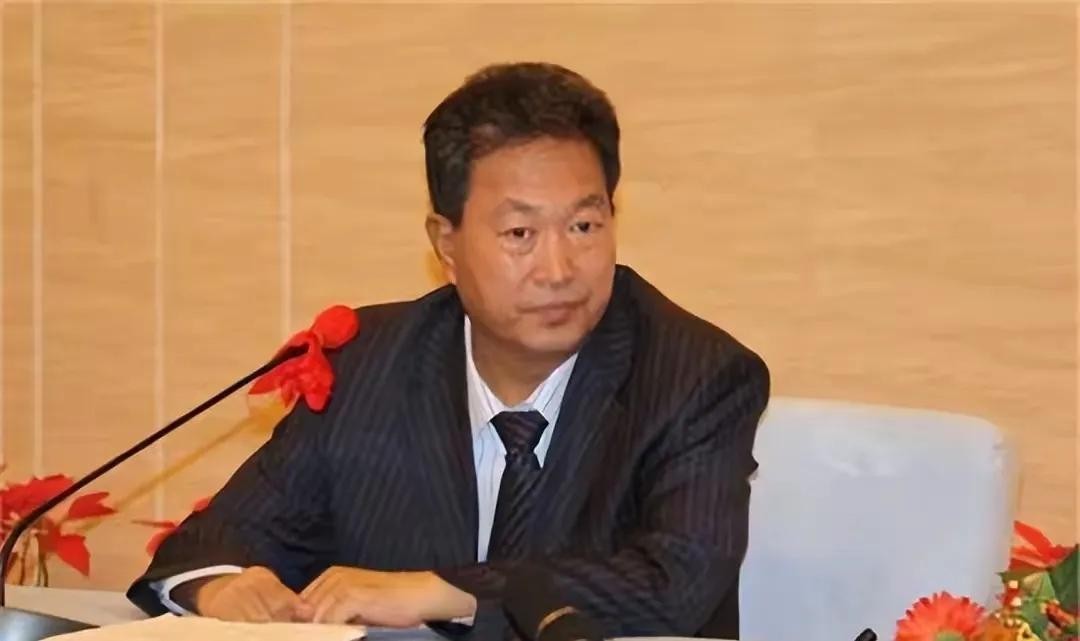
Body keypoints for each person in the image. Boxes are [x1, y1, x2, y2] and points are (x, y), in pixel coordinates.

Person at [126, 61, 771, 641]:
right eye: (519, 233)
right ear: (446, 244)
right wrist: (223, 587)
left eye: (584, 225)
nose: (559, 269)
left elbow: (676, 581)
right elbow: (215, 543)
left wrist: (443, 591)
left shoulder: (695, 375)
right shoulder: (368, 364)